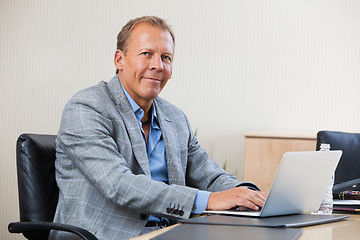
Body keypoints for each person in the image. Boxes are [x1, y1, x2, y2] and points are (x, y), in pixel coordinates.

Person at [49, 16, 266, 240]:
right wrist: (209, 200)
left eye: (166, 57)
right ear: (119, 59)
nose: (157, 65)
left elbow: (209, 176)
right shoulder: (86, 108)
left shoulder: (175, 117)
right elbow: (119, 184)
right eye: (146, 54)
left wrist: (250, 196)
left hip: (171, 232)